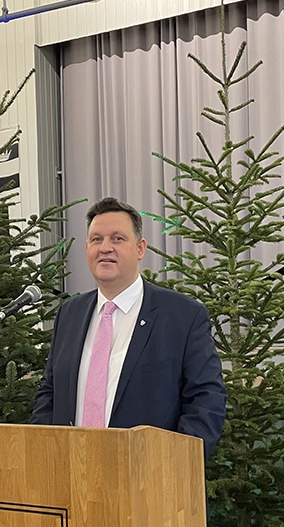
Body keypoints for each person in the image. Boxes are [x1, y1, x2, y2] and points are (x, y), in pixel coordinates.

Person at [30, 196, 226, 460]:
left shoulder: (183, 316)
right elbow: (50, 392)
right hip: (70, 470)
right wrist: (43, 453)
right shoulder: (69, 314)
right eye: (96, 239)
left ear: (140, 248)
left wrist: (177, 463)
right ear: (87, 248)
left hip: (149, 473)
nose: (105, 248)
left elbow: (206, 399)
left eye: (118, 238)